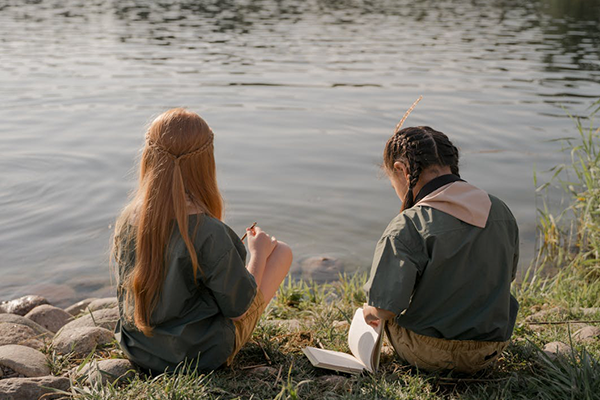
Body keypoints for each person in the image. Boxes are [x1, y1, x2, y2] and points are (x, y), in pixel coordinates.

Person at [112, 108, 292, 374]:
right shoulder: (209, 232)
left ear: (149, 159)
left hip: (138, 347)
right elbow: (238, 309)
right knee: (282, 253)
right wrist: (257, 253)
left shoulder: (128, 220)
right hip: (197, 356)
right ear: (206, 164)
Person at [363, 125, 519, 374]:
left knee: (380, 310)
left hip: (428, 353)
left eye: (394, 186)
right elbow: (506, 276)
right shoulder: (501, 211)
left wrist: (367, 310)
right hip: (489, 350)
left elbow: (385, 308)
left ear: (401, 171)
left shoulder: (408, 224)